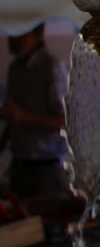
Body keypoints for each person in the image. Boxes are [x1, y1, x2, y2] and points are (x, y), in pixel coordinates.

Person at [0, 22, 71, 200]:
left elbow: (66, 119)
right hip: (19, 164)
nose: (13, 40)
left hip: (46, 168)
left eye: (20, 34)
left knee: (48, 223)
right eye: (11, 34)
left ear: (39, 34)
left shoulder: (52, 68)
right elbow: (13, 117)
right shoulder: (15, 69)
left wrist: (23, 117)